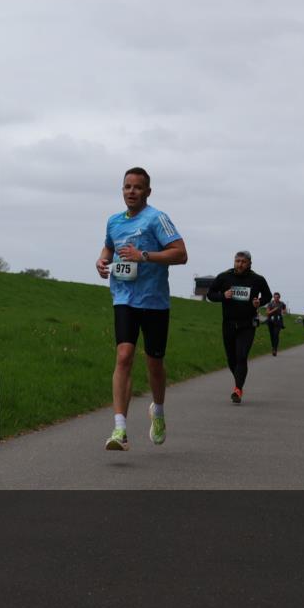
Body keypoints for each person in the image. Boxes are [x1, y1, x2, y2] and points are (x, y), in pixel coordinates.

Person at [95, 167, 188, 451]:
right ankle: (119, 428)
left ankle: (157, 412)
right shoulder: (113, 221)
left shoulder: (157, 219)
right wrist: (102, 260)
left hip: (154, 301)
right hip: (124, 297)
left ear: (148, 191)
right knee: (124, 355)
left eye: (137, 187)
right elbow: (109, 248)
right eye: (127, 187)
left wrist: (143, 256)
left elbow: (181, 254)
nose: (131, 191)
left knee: (154, 363)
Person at [206, 251, 272, 404]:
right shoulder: (224, 277)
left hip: (247, 324)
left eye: (243, 261)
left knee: (241, 356)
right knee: (232, 359)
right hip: (228, 324)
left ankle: (238, 389)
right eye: (237, 261)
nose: (239, 264)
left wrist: (259, 302)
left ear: (249, 263)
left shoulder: (257, 279)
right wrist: (223, 296)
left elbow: (267, 296)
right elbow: (210, 294)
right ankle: (239, 382)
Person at [264, 292, 286, 356]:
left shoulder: (282, 303)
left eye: (277, 297)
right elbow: (267, 313)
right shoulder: (270, 304)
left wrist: (284, 311)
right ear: (273, 297)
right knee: (272, 335)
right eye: (275, 297)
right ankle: (273, 347)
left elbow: (284, 309)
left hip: (278, 321)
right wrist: (274, 309)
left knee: (276, 334)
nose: (276, 298)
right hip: (271, 321)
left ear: (279, 297)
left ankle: (275, 349)